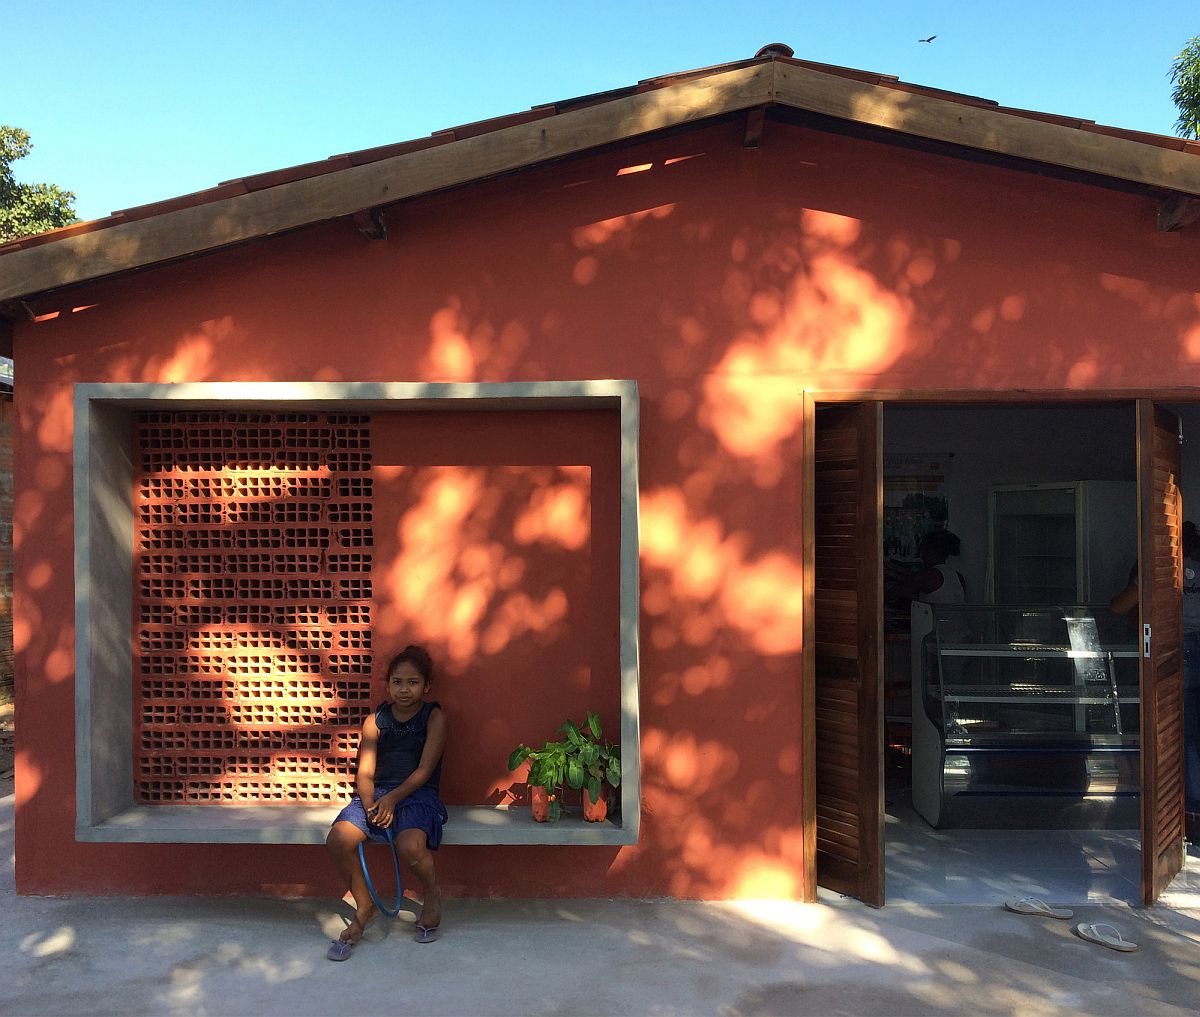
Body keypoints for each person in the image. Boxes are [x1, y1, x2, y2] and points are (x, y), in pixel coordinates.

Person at [325, 645, 448, 958]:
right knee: (338, 839)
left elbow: (424, 770)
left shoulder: (434, 717)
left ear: (426, 686)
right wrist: (370, 805)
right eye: (397, 682)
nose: (404, 689)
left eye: (412, 682)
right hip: (377, 795)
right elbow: (364, 774)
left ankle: (432, 895)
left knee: (409, 847)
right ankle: (365, 907)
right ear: (388, 684)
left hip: (417, 795)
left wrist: (393, 799)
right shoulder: (375, 720)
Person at [885, 528, 966, 607]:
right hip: (957, 620)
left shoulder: (928, 575)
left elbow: (891, 594)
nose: (921, 556)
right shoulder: (958, 577)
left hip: (933, 620)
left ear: (932, 551)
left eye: (923, 551)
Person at [1183, 522, 1200, 843]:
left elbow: (1121, 605)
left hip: (1180, 648)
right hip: (1185, 648)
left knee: (1188, 734)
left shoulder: (1164, 566)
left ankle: (1194, 814)